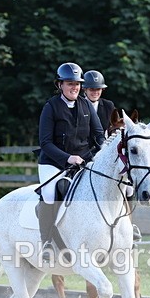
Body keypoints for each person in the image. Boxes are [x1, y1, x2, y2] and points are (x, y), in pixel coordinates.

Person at [37, 62, 105, 260]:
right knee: (50, 193)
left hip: (82, 161)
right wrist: (67, 158)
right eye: (70, 83)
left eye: (77, 84)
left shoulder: (86, 105)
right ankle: (47, 242)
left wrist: (102, 152)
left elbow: (99, 135)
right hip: (53, 162)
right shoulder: (51, 107)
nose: (74, 87)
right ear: (60, 85)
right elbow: (45, 143)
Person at [82, 70, 116, 139]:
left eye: (98, 89)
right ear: (85, 89)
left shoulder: (108, 105)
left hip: (103, 143)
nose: (95, 92)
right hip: (82, 144)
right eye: (92, 89)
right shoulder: (78, 105)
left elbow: (115, 125)